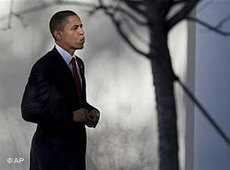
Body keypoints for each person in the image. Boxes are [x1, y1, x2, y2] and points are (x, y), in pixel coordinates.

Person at [21, 10, 100, 170]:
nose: (82, 32)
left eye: (81, 26)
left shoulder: (78, 63)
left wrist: (91, 111)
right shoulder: (44, 66)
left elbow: (73, 102)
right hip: (50, 158)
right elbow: (29, 111)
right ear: (58, 34)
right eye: (75, 28)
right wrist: (71, 116)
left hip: (75, 156)